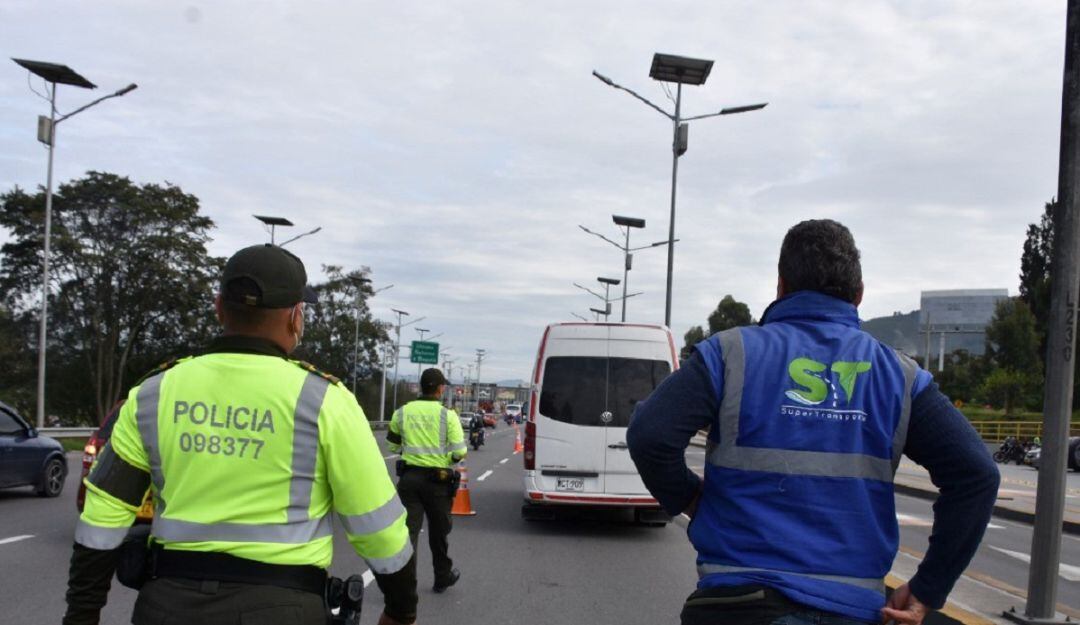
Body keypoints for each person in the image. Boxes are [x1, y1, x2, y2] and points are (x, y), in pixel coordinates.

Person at [627, 219, 1000, 625]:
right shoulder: (898, 376)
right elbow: (977, 474)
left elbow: (649, 434)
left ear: (781, 287)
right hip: (851, 608)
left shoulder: (729, 355)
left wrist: (692, 500)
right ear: (858, 296)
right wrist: (929, 586)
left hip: (736, 604)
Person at [63, 244, 418, 625]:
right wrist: (401, 609)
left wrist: (81, 616)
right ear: (296, 318)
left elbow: (103, 517)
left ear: (219, 307)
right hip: (284, 610)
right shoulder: (325, 401)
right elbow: (377, 527)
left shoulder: (153, 393)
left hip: (166, 607)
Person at [387, 369, 466, 593]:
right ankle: (442, 576)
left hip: (409, 480)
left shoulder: (402, 412)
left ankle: (404, 584)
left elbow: (392, 446)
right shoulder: (448, 415)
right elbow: (460, 452)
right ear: (440, 388)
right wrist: (446, 458)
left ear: (421, 387)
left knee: (408, 533)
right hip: (438, 482)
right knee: (438, 532)